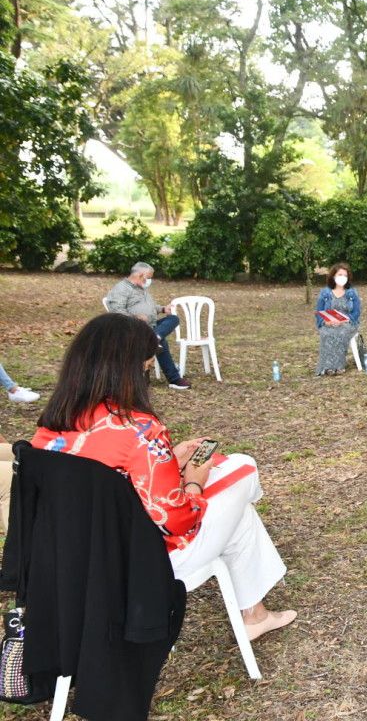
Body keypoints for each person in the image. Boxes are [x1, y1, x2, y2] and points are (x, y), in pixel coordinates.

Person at [31, 313, 296, 641]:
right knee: (243, 467)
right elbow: (177, 521)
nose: (145, 378)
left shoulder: (48, 430)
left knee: (239, 506)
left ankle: (255, 615)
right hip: (139, 563)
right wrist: (194, 480)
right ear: (126, 370)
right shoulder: (140, 430)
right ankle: (253, 609)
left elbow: (104, 483)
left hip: (74, 559)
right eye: (144, 369)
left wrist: (166, 460)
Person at [104, 262, 191, 390]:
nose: (150, 280)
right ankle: (174, 379)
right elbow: (116, 311)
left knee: (173, 319)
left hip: (150, 327)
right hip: (132, 328)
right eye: (149, 277)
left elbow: (149, 307)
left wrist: (162, 309)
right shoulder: (121, 289)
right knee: (161, 341)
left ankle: (155, 338)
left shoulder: (141, 288)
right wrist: (135, 317)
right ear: (140, 275)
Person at [315, 263, 363, 376]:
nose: (342, 277)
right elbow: (319, 311)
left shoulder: (352, 293)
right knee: (327, 333)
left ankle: (338, 366)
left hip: (348, 323)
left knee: (341, 332)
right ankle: (327, 367)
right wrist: (326, 321)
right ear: (333, 276)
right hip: (329, 322)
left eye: (345, 275)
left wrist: (344, 320)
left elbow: (356, 313)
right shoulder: (325, 293)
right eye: (340, 274)